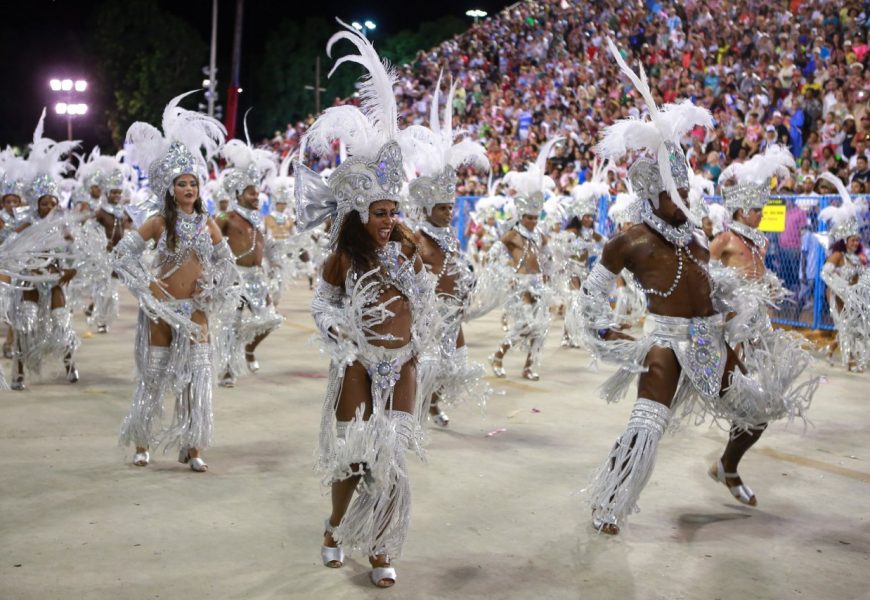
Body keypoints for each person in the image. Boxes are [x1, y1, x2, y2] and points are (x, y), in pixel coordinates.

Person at [568, 40, 781, 535]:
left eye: (686, 188)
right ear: (650, 192)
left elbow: (711, 285)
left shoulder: (699, 232)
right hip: (665, 342)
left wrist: (737, 309)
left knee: (758, 410)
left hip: (712, 338)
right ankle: (610, 501)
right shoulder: (629, 241)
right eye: (674, 191)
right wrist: (606, 334)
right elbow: (591, 296)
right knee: (645, 429)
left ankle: (727, 466)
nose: (684, 197)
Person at [294, 21, 437, 588]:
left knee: (394, 459)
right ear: (359, 216)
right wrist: (342, 333)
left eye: (392, 211)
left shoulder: (409, 248)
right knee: (354, 458)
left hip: (401, 360)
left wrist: (420, 338)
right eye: (379, 213)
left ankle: (381, 546)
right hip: (356, 361)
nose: (388, 221)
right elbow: (322, 304)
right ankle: (334, 527)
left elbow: (429, 297)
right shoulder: (344, 258)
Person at [112, 91, 238, 471]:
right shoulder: (159, 222)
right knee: (153, 377)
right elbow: (122, 254)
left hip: (197, 311)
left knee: (197, 380)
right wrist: (146, 287)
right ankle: (142, 442)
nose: (189, 190)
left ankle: (193, 447)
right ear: (170, 188)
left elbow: (226, 263)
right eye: (182, 184)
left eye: (194, 184)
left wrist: (212, 285)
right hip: (162, 309)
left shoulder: (207, 222)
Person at [709, 145, 818, 506]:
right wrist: (726, 300)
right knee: (748, 403)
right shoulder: (725, 239)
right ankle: (729, 467)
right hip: (732, 331)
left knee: (766, 405)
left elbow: (758, 276)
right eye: (756, 209)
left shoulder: (761, 242)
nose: (760, 214)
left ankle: (728, 464)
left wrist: (768, 283)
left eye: (762, 209)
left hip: (760, 332)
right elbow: (704, 273)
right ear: (740, 209)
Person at [407, 74, 492, 427]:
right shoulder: (415, 240)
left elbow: (455, 268)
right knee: (426, 365)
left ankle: (432, 404)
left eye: (450, 206)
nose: (450, 212)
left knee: (452, 363)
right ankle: (416, 408)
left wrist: (469, 282)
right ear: (427, 208)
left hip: (452, 314)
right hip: (426, 316)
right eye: (443, 208)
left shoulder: (449, 239)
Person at [10, 110, 81, 391]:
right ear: (36, 203)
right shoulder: (24, 226)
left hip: (53, 283)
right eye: (44, 202)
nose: (49, 206)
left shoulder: (62, 226)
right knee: (25, 327)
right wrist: (22, 268)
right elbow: (9, 252)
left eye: (52, 201)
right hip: (29, 282)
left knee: (62, 325)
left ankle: (70, 364)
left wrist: (72, 268)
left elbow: (74, 250)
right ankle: (18, 372)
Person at [488, 138, 560, 381]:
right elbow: (494, 255)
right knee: (525, 325)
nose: (532, 221)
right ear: (521, 215)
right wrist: (506, 274)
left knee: (540, 329)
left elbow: (547, 257)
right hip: (519, 282)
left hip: (539, 281)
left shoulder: (540, 234)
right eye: (528, 217)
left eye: (535, 216)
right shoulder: (512, 234)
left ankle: (529, 366)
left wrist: (549, 272)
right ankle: (497, 355)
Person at [215, 135, 283, 386]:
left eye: (257, 191)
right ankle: (227, 371)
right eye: (251, 192)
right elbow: (209, 243)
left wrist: (275, 264)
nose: (257, 196)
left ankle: (249, 349)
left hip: (255, 277)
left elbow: (268, 245)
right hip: (233, 277)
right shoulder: (225, 216)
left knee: (270, 320)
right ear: (238, 194)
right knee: (230, 326)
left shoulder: (260, 219)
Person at [819, 173, 869, 372]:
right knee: (846, 325)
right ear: (845, 240)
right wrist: (842, 290)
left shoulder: (858, 257)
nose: (856, 243)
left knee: (852, 326)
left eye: (857, 240)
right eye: (852, 240)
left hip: (853, 297)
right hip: (837, 296)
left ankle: (830, 349)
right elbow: (826, 274)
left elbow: (863, 274)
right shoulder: (837, 256)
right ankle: (848, 361)